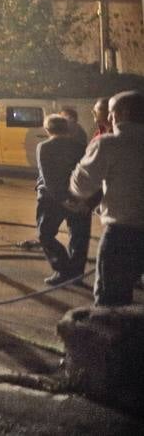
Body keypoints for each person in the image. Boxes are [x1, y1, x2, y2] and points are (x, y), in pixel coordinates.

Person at [70, 90, 144, 306]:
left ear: (122, 113)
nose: (108, 118)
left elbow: (81, 187)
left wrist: (84, 160)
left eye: (111, 112)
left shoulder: (108, 144)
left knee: (111, 304)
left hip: (123, 235)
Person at [36, 114, 92, 287]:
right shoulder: (82, 147)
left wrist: (63, 200)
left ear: (47, 129)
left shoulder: (44, 147)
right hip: (80, 197)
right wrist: (86, 202)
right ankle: (76, 275)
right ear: (67, 128)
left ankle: (62, 269)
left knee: (45, 234)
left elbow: (49, 179)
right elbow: (90, 175)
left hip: (52, 199)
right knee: (79, 237)